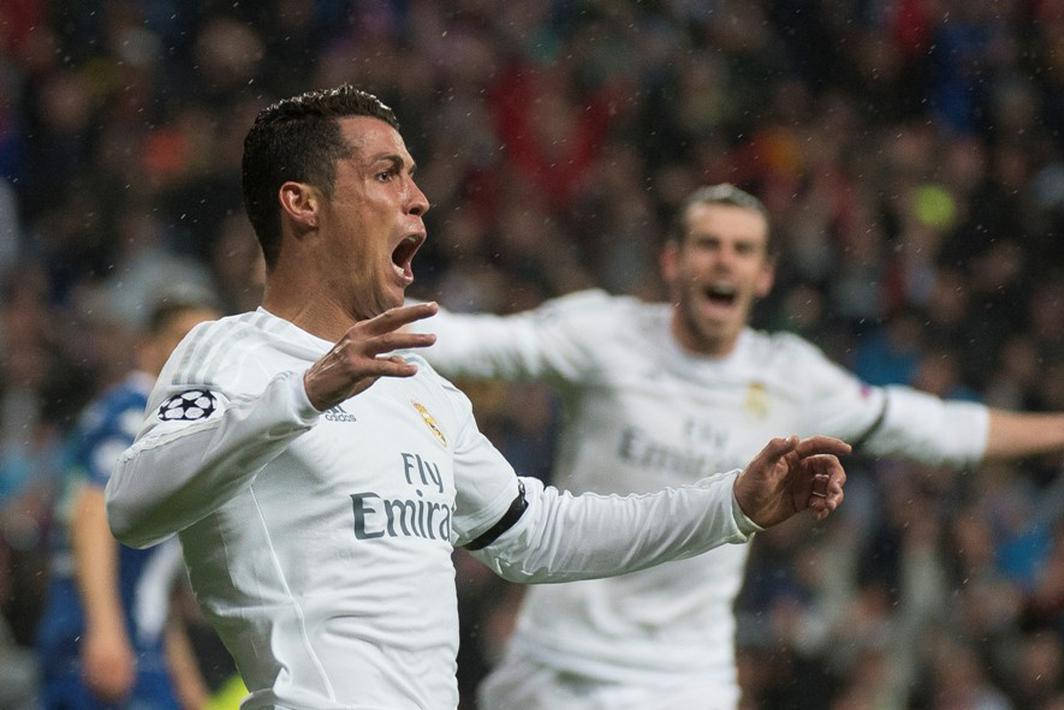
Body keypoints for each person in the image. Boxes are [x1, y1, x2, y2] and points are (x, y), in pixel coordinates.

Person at [102, 86, 851, 710]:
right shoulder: (234, 352)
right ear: (303, 204)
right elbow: (134, 508)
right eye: (387, 175)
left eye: (413, 176)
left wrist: (730, 505)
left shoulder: (418, 386)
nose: (419, 199)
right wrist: (304, 394)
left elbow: (543, 535)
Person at [411, 183, 1064, 710]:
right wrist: (355, 316)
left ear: (763, 274)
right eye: (707, 245)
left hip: (685, 681)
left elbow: (935, 428)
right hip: (554, 669)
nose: (722, 262)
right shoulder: (602, 333)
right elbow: (473, 340)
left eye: (742, 250)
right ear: (672, 261)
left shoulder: (791, 376)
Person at [38, 301, 217, 709]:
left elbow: (151, 581)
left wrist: (187, 685)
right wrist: (105, 630)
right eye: (184, 338)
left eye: (209, 340)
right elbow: (91, 512)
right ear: (147, 348)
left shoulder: (170, 420)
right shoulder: (137, 412)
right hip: (100, 642)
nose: (198, 351)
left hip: (134, 642)